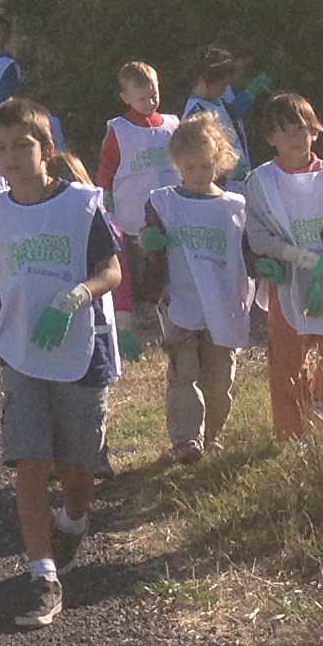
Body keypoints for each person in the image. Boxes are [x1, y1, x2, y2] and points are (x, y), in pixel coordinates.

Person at [0, 101, 122, 630]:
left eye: (22, 145)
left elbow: (111, 270)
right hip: (21, 352)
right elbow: (0, 282)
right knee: (30, 460)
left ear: (45, 149)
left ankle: (75, 517)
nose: (10, 157)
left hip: (82, 349)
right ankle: (42, 574)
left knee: (78, 465)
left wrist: (75, 298)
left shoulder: (81, 203)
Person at [243, 91, 323, 440]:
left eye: (301, 129)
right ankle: (293, 437)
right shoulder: (260, 182)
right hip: (287, 282)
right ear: (270, 137)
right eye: (284, 131)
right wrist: (293, 260)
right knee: (287, 365)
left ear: (315, 132)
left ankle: (319, 399)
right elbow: (258, 236)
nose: (294, 138)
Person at [140, 111, 252, 463]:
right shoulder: (164, 202)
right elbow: (150, 236)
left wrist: (262, 266)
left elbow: (246, 250)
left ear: (218, 160)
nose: (199, 174)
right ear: (177, 165)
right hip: (179, 300)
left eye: (205, 166)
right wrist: (149, 239)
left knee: (219, 377)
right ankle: (187, 439)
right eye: (190, 168)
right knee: (183, 373)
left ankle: (212, 434)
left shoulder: (234, 207)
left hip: (222, 301)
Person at [97, 63, 177, 346]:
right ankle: (132, 313)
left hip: (166, 209)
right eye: (142, 98)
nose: (150, 102)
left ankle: (161, 307)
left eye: (154, 95)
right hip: (130, 210)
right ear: (126, 98)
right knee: (133, 265)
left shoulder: (171, 125)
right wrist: (106, 194)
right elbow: (107, 166)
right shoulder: (120, 129)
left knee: (163, 262)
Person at [178, 47, 247, 160]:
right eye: (222, 85)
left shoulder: (218, 100)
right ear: (204, 81)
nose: (225, 89)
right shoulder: (195, 113)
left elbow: (232, 116)